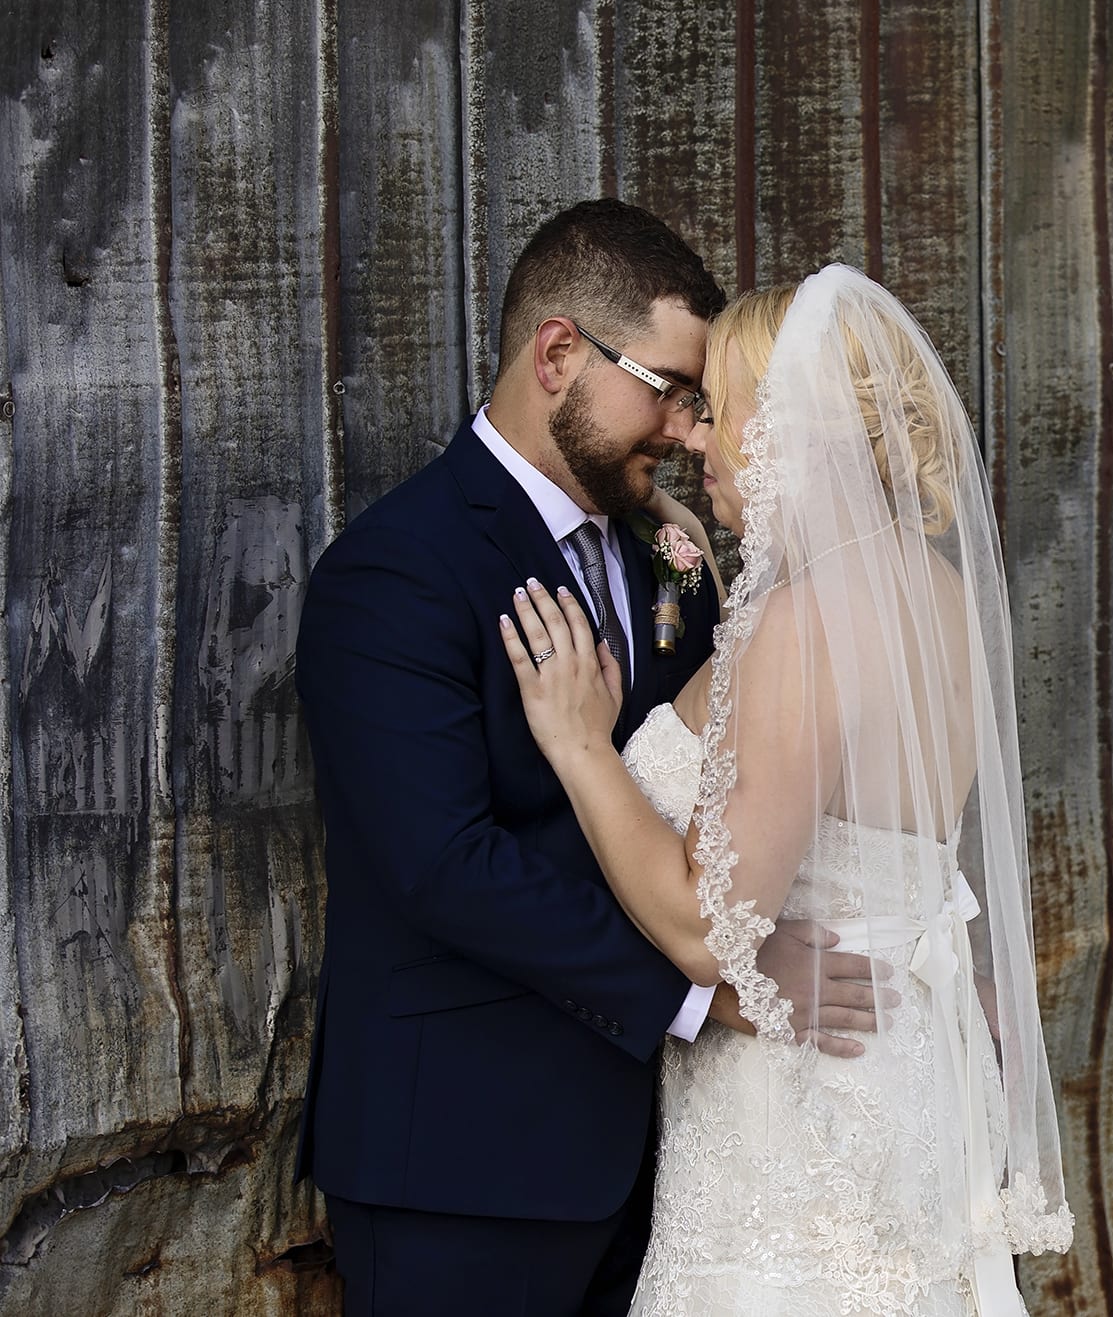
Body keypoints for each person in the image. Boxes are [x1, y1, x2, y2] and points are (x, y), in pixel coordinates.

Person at [295, 201, 881, 1316]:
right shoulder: (394, 573)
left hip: (664, 1161)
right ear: (559, 353)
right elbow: (441, 864)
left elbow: (743, 786)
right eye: (666, 387)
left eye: (700, 400)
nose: (685, 425)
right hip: (466, 1160)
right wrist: (705, 995)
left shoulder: (670, 554)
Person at [497, 266, 1073, 1314]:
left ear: (790, 429)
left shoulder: (803, 626)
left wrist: (582, 749)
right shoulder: (931, 596)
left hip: (797, 1112)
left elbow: (713, 938)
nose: (695, 439)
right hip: (898, 1076)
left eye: (718, 412)